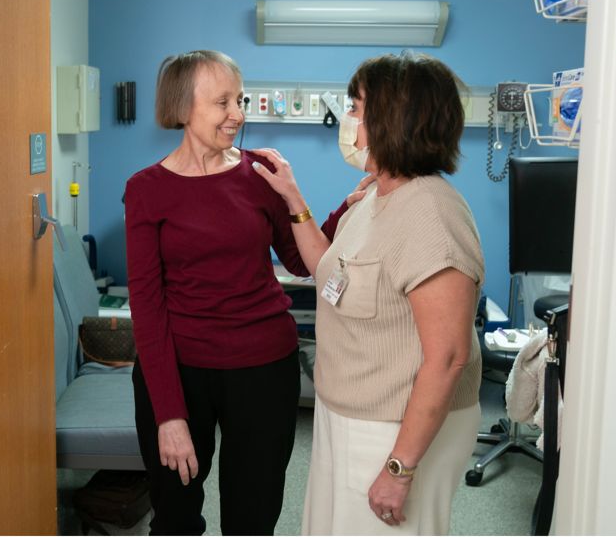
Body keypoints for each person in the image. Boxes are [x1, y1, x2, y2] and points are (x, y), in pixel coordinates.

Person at [252, 51, 484, 535]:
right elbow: (327, 271)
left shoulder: (431, 216)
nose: (349, 120)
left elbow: (448, 358)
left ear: (393, 120)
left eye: (357, 108)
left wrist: (400, 468)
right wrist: (294, 199)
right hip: (349, 415)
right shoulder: (378, 193)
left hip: (395, 430)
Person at [123, 50, 350, 536]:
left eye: (240, 99)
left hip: (264, 366)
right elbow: (146, 306)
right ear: (184, 109)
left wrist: (319, 202)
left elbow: (301, 261)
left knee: (253, 517)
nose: (238, 113)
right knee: (175, 517)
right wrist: (169, 415)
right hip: (180, 371)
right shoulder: (146, 190)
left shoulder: (262, 172)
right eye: (222, 102)